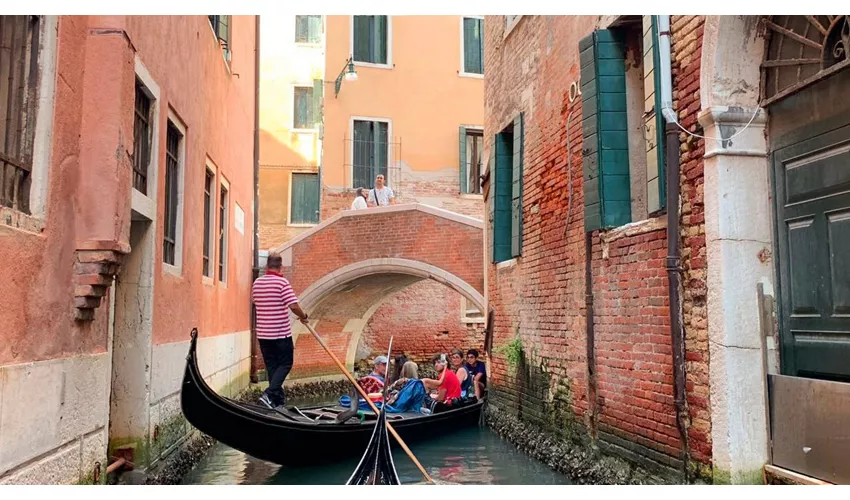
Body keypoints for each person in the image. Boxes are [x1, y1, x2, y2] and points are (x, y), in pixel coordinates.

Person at [252, 252, 309, 410]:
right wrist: (304, 316)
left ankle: (277, 402)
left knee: (272, 367)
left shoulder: (257, 283)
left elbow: (256, 301)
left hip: (263, 335)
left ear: (266, 266)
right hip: (280, 334)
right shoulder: (282, 283)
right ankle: (269, 394)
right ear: (280, 266)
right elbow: (293, 306)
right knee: (285, 363)